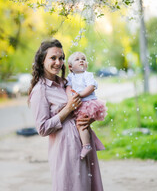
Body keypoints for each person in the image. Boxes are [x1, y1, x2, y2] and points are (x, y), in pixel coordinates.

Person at [28, 39, 105, 191]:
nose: (58, 62)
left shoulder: (66, 83)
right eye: (53, 58)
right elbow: (42, 128)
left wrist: (88, 119)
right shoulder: (40, 91)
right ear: (42, 60)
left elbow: (84, 104)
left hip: (84, 144)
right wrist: (67, 109)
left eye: (61, 58)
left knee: (89, 186)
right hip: (66, 150)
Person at [66, 52, 107, 160]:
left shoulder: (87, 75)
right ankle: (94, 144)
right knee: (83, 126)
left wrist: (80, 94)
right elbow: (68, 87)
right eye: (77, 59)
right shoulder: (70, 77)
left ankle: (86, 146)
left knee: (81, 124)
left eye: (83, 59)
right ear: (70, 67)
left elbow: (91, 87)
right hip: (79, 104)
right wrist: (70, 97)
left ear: (86, 64)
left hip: (89, 103)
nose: (81, 61)